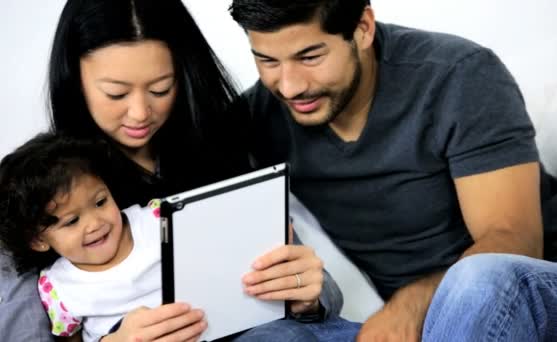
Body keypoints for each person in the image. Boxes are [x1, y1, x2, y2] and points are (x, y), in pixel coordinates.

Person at [229, 0, 557, 341]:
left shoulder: (457, 75)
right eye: (268, 61)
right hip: (430, 328)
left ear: (363, 28)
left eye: (310, 57)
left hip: (553, 286)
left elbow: (516, 241)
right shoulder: (257, 118)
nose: (291, 86)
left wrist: (413, 303)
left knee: (478, 282)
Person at [0, 0, 362, 341]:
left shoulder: (221, 144)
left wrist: (307, 294)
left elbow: (319, 295)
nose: (141, 113)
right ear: (74, 81)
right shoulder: (37, 190)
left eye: (161, 89)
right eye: (116, 94)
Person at [0, 133, 203, 341]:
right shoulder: (57, 288)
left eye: (100, 202)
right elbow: (72, 339)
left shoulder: (157, 220)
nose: (95, 223)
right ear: (38, 240)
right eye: (72, 221)